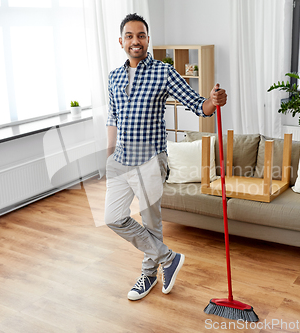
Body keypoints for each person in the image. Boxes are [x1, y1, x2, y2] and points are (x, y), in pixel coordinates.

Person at [105, 13, 227, 301]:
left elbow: (198, 105)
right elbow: (112, 117)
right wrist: (109, 155)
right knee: (113, 217)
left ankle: (148, 275)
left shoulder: (163, 71)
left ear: (148, 40)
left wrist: (212, 101)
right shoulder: (113, 77)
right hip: (120, 159)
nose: (136, 41)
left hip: (150, 159)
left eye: (141, 36)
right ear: (121, 41)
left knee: (151, 222)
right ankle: (167, 258)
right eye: (130, 36)